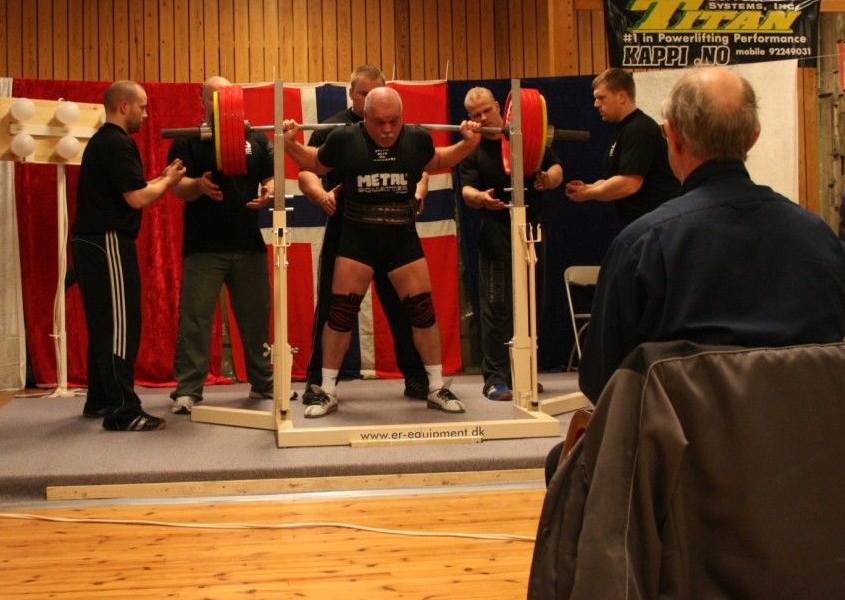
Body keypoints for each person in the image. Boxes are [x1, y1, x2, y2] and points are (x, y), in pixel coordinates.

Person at [578, 66, 845, 406]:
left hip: (684, 439)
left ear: (672, 136)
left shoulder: (641, 247)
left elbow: (601, 382)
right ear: (754, 136)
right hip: (801, 433)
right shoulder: (821, 239)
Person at [282, 86, 483, 417]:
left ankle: (436, 387)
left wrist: (468, 143)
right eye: (379, 123)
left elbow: (438, 160)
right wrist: (289, 143)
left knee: (422, 312)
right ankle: (326, 390)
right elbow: (314, 163)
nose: (388, 129)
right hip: (357, 238)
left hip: (401, 237)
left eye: (394, 121)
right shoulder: (345, 139)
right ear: (365, 117)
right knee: (340, 314)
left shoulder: (416, 138)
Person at [299, 66, 430, 405]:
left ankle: (418, 378)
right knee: (334, 308)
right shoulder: (331, 128)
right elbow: (307, 171)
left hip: (393, 229)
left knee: (406, 306)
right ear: (351, 94)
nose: (371, 98)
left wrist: (419, 190)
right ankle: (319, 383)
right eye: (363, 93)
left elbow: (423, 167)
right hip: (347, 228)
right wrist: (320, 195)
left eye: (376, 91)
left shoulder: (398, 128)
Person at [71, 79, 185, 432]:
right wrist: (168, 182)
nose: (146, 115)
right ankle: (123, 411)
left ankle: (101, 399)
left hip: (93, 242)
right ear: (124, 106)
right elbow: (137, 198)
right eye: (142, 107)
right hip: (107, 242)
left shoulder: (103, 142)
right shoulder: (117, 142)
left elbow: (131, 189)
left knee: (104, 324)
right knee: (121, 326)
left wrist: (160, 178)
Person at [168, 76, 276, 414]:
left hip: (248, 243)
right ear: (204, 102)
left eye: (226, 96)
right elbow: (177, 186)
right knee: (196, 319)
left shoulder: (256, 139)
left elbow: (271, 176)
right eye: (214, 97)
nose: (221, 102)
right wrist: (198, 186)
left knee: (256, 318)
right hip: (204, 245)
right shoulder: (188, 140)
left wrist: (269, 191)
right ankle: (188, 390)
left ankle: (264, 383)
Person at [458, 86, 563, 401]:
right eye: (475, 115)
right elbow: (466, 191)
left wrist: (549, 178)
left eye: (486, 111)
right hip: (496, 233)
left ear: (498, 107)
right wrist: (480, 197)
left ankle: (524, 374)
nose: (482, 118)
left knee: (532, 302)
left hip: (531, 228)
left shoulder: (522, 136)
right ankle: (495, 378)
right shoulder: (472, 147)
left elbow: (556, 167)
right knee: (497, 306)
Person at [565, 67, 678, 222]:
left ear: (622, 97)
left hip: (659, 223)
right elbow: (615, 181)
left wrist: (588, 193)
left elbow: (629, 183)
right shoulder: (624, 129)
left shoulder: (640, 129)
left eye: (601, 98)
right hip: (644, 222)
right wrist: (588, 187)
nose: (596, 104)